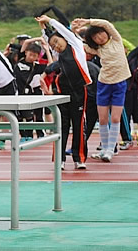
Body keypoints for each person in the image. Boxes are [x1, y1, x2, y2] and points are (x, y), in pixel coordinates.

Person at [72, 18, 131, 162]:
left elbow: (107, 24)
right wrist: (74, 30)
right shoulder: (97, 49)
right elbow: (78, 45)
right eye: (95, 37)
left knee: (116, 118)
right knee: (103, 119)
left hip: (120, 84)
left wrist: (87, 21)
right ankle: (104, 148)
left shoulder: (116, 40)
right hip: (104, 84)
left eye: (101, 34)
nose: (100, 37)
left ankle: (111, 149)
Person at [36, 16, 92, 170]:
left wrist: (50, 20)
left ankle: (79, 158)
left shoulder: (75, 44)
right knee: (62, 125)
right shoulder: (59, 55)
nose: (55, 46)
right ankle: (59, 160)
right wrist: (43, 26)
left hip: (80, 90)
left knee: (78, 124)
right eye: (52, 46)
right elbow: (49, 37)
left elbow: (61, 31)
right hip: (62, 92)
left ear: (65, 38)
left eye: (57, 42)